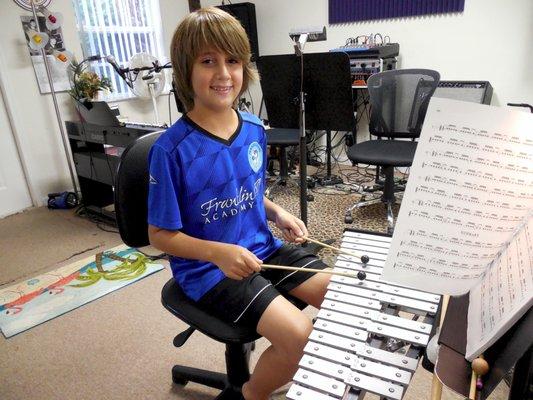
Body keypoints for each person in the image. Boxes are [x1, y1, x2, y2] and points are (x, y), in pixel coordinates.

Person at [147, 7, 330, 400]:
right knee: (300, 340)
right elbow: (160, 234)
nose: (224, 74)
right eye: (208, 61)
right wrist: (218, 253)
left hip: (264, 249)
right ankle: (248, 395)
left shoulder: (252, 129)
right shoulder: (171, 150)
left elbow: (242, 190)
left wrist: (276, 211)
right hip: (208, 271)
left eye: (232, 60)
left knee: (342, 301)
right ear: (185, 70)